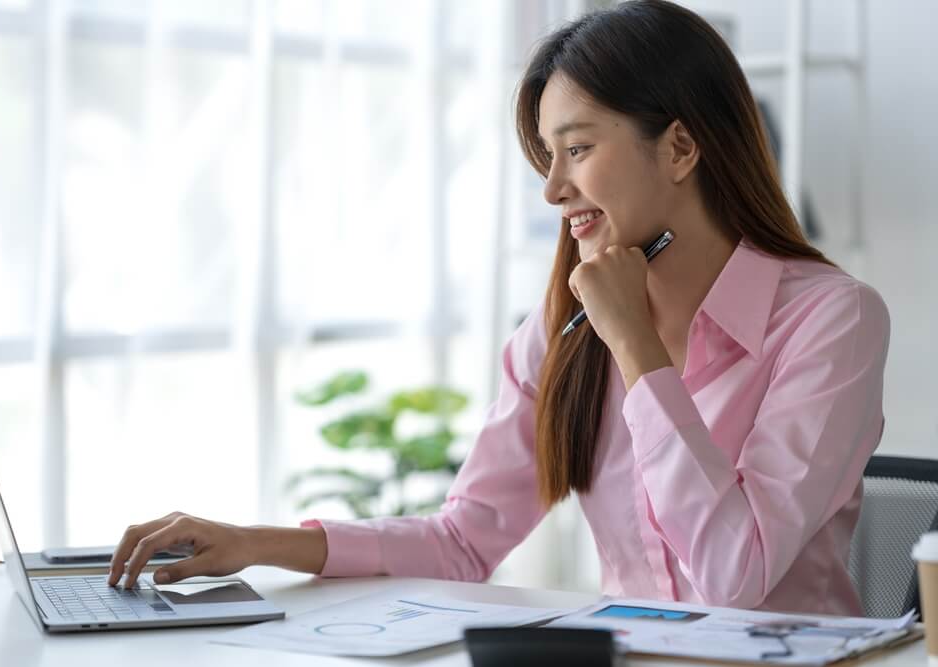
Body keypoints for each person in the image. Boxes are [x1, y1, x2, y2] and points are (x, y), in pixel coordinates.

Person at [108, 0, 889, 616]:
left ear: (682, 148)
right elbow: (460, 541)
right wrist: (252, 541)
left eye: (577, 149)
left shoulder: (833, 320)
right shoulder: (561, 332)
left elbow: (735, 576)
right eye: (545, 156)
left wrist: (635, 348)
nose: (552, 189)